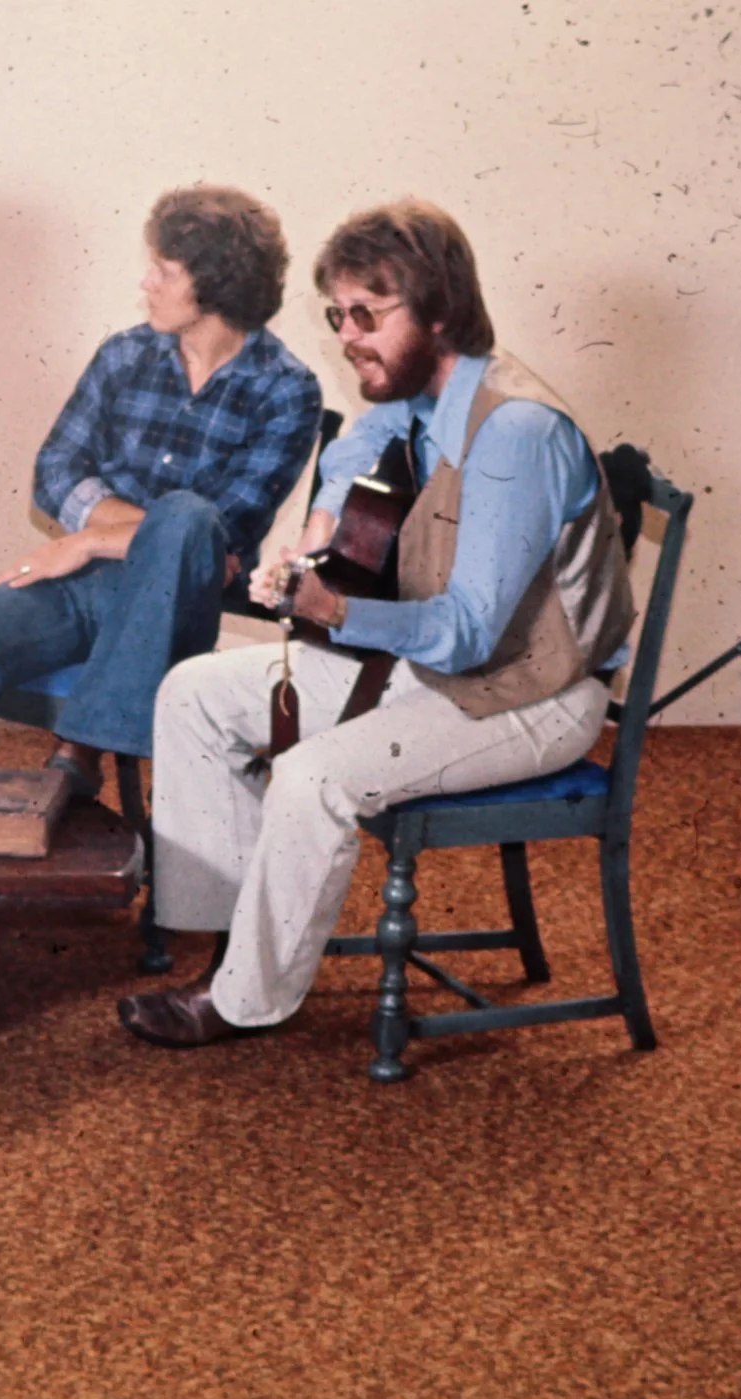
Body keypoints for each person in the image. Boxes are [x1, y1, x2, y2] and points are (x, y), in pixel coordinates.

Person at [120, 198, 635, 1049]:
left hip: (532, 696)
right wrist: (322, 524)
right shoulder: (424, 392)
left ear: (439, 312)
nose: (350, 336)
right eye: (339, 315)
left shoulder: (515, 432)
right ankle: (230, 947)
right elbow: (363, 444)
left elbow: (469, 634)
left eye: (368, 314)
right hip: (439, 673)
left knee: (313, 777)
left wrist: (337, 610)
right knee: (193, 695)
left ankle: (245, 999)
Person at [0, 185, 324, 792]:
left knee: (187, 514)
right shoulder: (126, 354)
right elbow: (54, 471)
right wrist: (107, 544)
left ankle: (80, 748)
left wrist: (88, 538)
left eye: (164, 271)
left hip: (177, 605)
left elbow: (218, 531)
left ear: (217, 284)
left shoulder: (286, 388)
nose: (147, 283)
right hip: (82, 583)